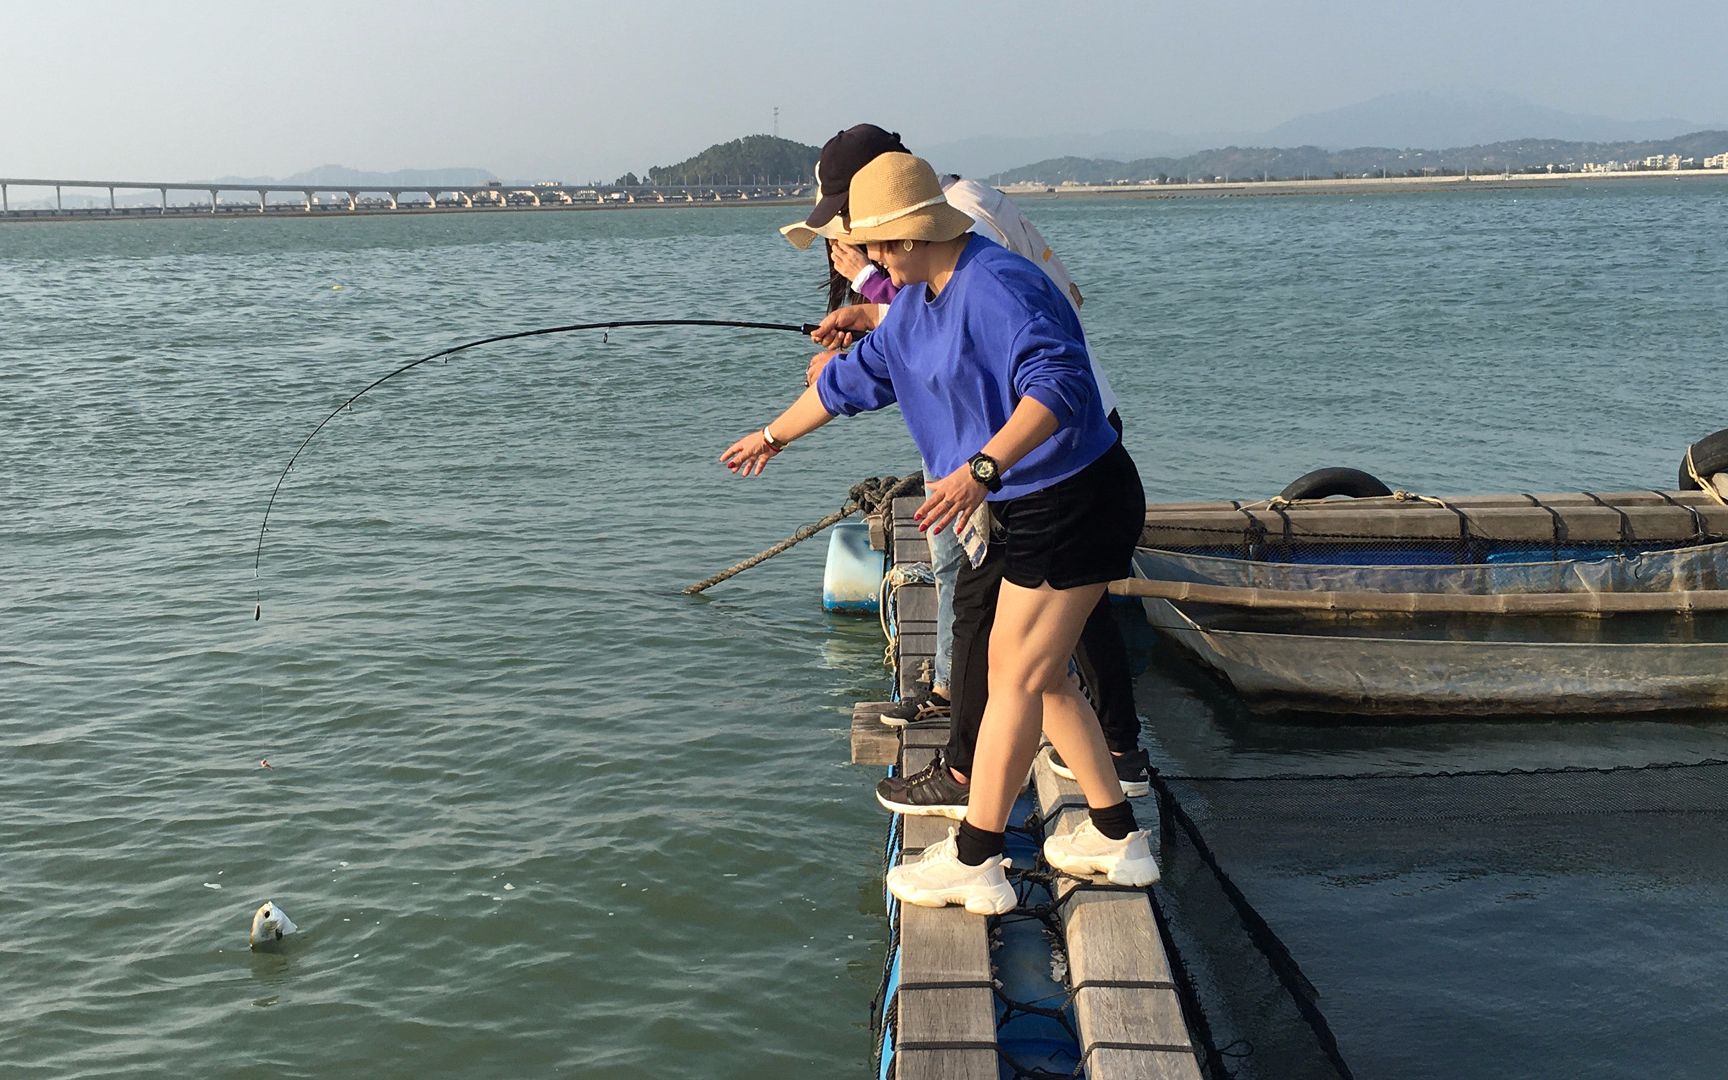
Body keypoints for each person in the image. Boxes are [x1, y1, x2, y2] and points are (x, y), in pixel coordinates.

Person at [722, 153, 1159, 913]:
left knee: (1015, 675)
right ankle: (1120, 839)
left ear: (918, 232)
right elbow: (852, 382)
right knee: (1042, 676)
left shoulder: (999, 285)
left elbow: (1060, 384)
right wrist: (773, 434)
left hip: (1075, 496)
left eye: (881, 245)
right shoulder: (918, 300)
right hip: (1032, 500)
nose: (871, 260)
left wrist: (980, 470)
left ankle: (977, 859)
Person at [783, 125, 1150, 801]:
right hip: (1032, 443)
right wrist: (866, 320)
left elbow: (970, 320)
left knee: (1008, 631)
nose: (856, 238)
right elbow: (927, 322)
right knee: (1047, 647)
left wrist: (980, 469)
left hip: (1039, 442)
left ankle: (976, 772)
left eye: (862, 223)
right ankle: (1103, 784)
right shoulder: (969, 205)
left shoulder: (969, 239)